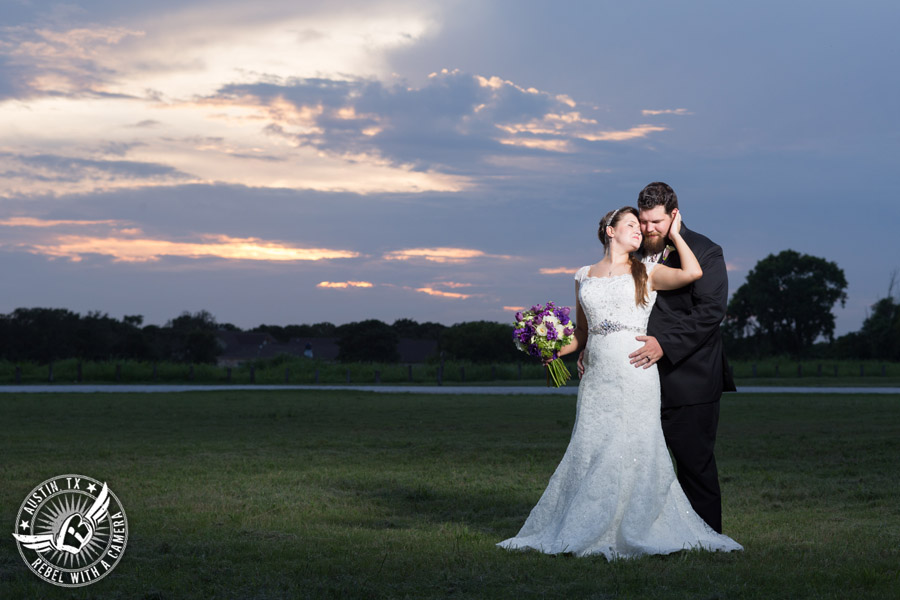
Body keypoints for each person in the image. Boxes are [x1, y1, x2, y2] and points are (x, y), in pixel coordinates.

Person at [496, 206, 741, 559]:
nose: (639, 230)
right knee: (594, 446)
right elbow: (581, 333)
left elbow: (693, 272)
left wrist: (675, 233)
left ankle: (639, 523)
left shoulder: (647, 271)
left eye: (640, 226)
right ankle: (592, 521)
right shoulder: (583, 276)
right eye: (630, 224)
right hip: (598, 375)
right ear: (609, 231)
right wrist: (549, 349)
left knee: (636, 447)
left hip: (635, 370)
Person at [625, 181, 735, 534]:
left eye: (656, 222)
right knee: (642, 465)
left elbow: (711, 312)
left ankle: (708, 538)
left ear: (674, 215)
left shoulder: (706, 250)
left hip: (691, 379)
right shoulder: (632, 252)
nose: (648, 229)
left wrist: (664, 344)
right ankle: (653, 532)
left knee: (694, 465)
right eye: (643, 221)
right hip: (639, 378)